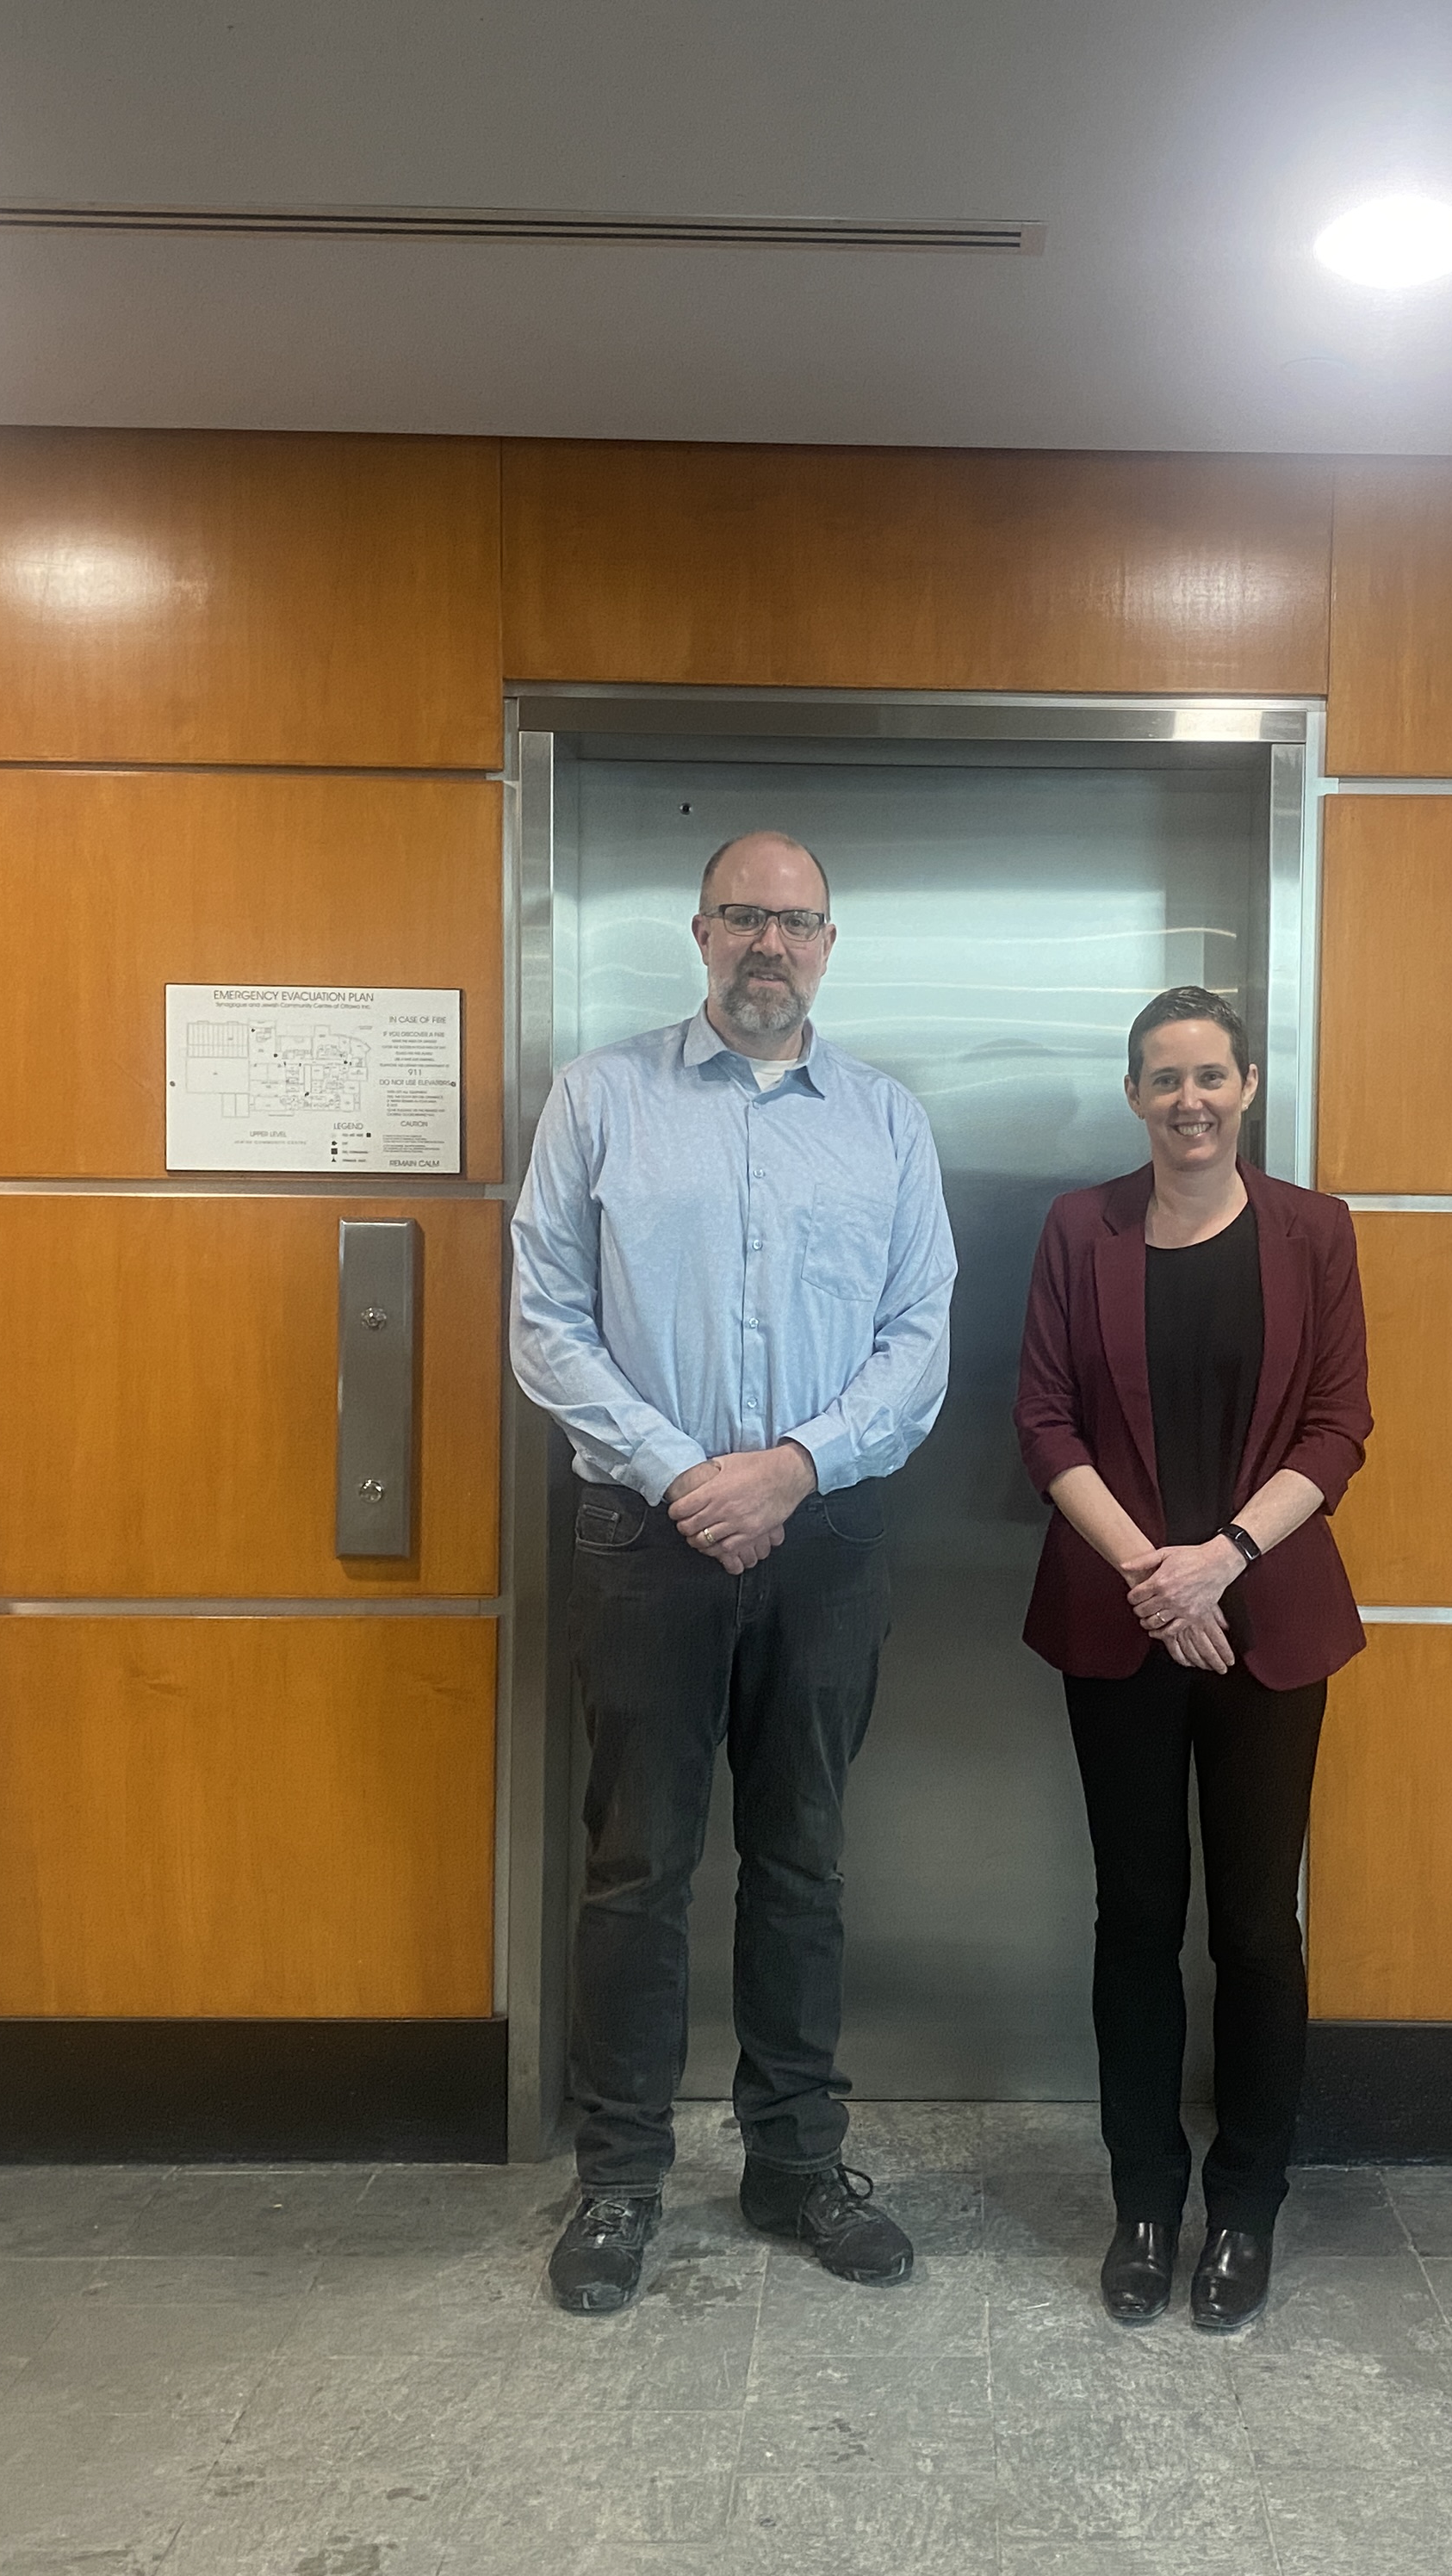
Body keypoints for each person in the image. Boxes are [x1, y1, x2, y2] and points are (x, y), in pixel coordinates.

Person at [511, 829, 959, 2317]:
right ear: (698, 933)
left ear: (830, 944)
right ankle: (620, 2178)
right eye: (744, 916)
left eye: (797, 921)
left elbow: (919, 1335)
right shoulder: (600, 1098)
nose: (771, 943)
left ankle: (794, 2162)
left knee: (805, 1860)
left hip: (825, 1539)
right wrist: (684, 1474)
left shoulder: (886, 1121)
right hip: (645, 1538)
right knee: (636, 1866)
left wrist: (793, 1469)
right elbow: (546, 1318)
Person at [1013, 984, 1371, 2333]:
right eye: (1164, 1079)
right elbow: (1045, 1423)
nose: (1190, 1100)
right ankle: (1146, 2203)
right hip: (1118, 1623)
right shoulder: (1079, 1229)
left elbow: (1338, 1425)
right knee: (1136, 1920)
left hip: (1269, 1620)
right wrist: (1153, 1583)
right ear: (1134, 1096)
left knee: (1257, 1929)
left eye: (1211, 1075)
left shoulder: (1315, 1231)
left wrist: (1219, 1560)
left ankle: (1248, 2205)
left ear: (1249, 1086)